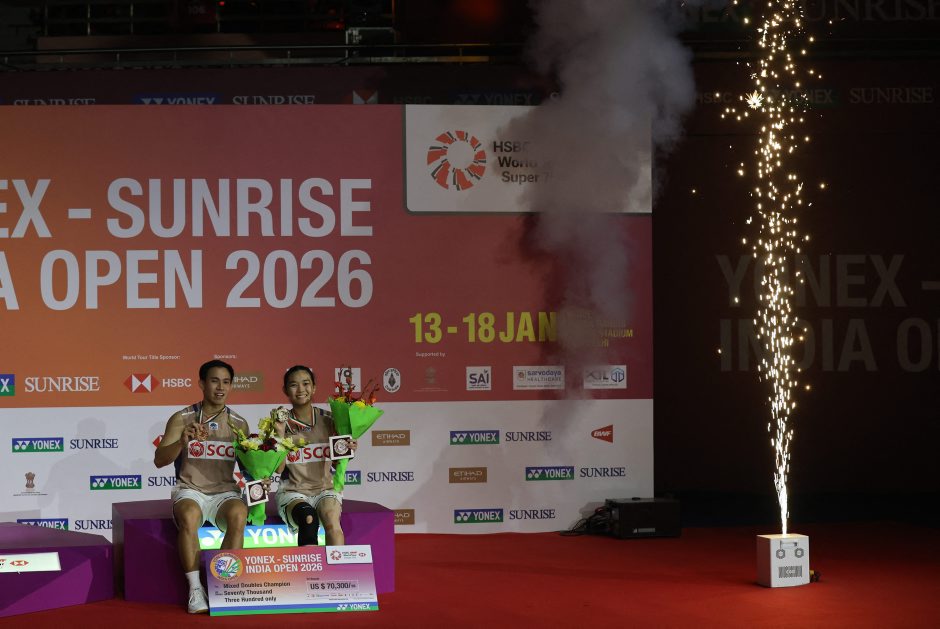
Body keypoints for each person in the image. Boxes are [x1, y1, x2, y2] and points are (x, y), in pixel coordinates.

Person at [154, 359, 250, 614]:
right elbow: (159, 460)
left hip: (224, 492)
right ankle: (196, 588)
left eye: (226, 382)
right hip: (190, 490)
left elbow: (249, 465)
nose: (221, 387)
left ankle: (222, 586)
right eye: (214, 381)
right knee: (189, 514)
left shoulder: (239, 424)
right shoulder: (182, 418)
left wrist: (264, 470)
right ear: (201, 383)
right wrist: (181, 441)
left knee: (239, 514)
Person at [274, 365, 357, 547]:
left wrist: (347, 450)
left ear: (314, 388)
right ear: (285, 390)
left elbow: (336, 463)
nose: (301, 390)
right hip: (292, 492)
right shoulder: (279, 423)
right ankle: (310, 566)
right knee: (308, 518)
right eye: (294, 385)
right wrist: (279, 435)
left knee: (332, 521)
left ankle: (338, 566)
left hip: (325, 489)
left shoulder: (330, 420)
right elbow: (278, 469)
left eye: (306, 384)